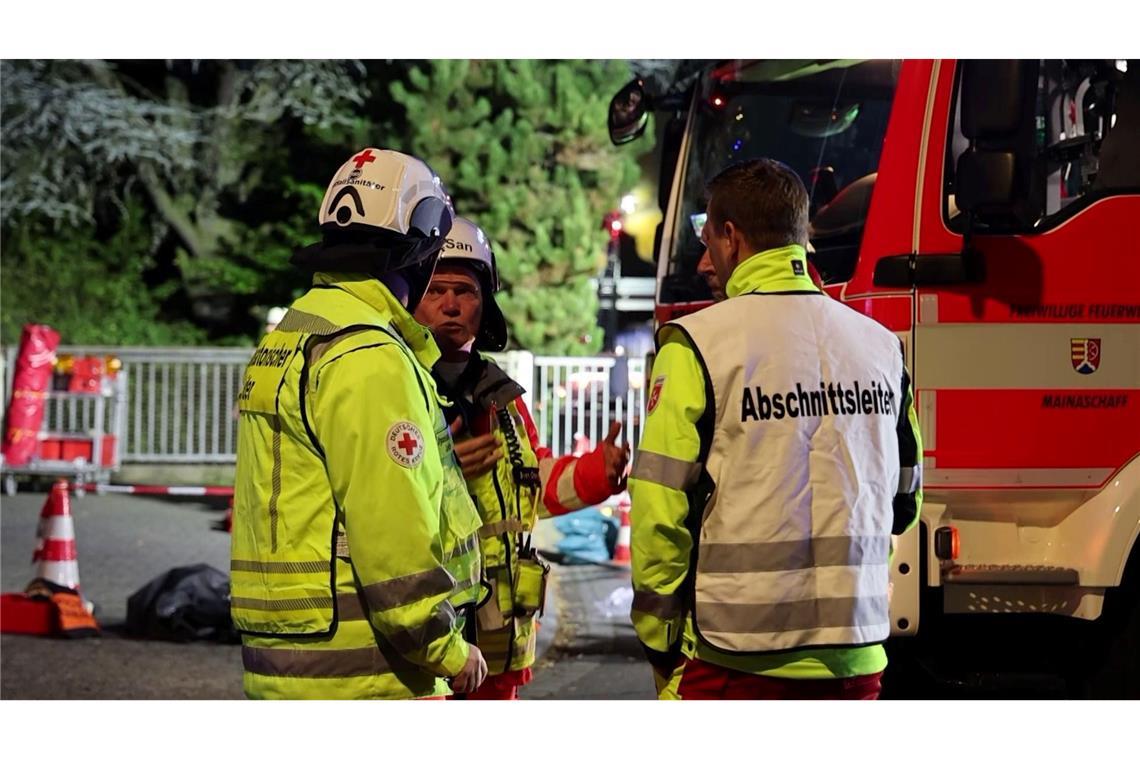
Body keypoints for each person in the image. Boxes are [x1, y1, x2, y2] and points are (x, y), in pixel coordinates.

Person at [629, 158, 922, 700]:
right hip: (855, 654)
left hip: (735, 654)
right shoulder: (882, 346)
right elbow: (905, 499)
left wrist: (659, 635)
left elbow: (659, 507)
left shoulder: (698, 344)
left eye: (708, 238)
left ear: (730, 236)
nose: (705, 259)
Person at [230, 148, 487, 699]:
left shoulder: (292, 338)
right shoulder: (370, 356)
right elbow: (390, 529)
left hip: (288, 667)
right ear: (418, 248)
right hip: (366, 676)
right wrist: (445, 647)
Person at [414, 217, 632, 700]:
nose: (450, 304)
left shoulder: (502, 398)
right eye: (436, 289)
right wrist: (442, 467)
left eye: (465, 291)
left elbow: (534, 481)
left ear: (485, 304)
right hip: (428, 642)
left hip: (497, 643)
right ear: (413, 299)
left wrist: (601, 469)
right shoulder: (398, 385)